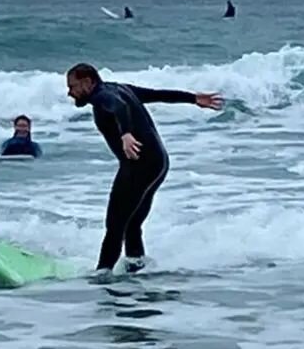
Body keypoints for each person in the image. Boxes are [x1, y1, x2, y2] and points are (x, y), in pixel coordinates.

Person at [66, 63, 223, 275]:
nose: (70, 92)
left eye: (73, 86)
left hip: (139, 166)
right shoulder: (120, 88)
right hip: (159, 163)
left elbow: (119, 107)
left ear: (87, 82)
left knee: (115, 226)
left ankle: (101, 276)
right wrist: (193, 98)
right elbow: (158, 95)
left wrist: (126, 134)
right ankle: (136, 268)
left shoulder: (101, 96)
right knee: (131, 224)